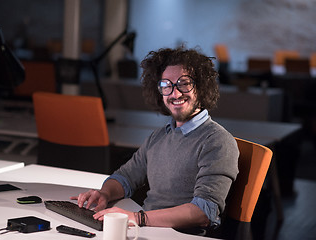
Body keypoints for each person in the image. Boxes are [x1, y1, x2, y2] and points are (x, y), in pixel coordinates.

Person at [71, 46, 239, 232]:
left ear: (201, 86)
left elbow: (204, 212)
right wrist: (105, 193)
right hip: (147, 229)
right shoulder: (159, 136)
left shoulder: (218, 141)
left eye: (184, 83)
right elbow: (125, 177)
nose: (175, 94)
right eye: (166, 85)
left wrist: (137, 218)